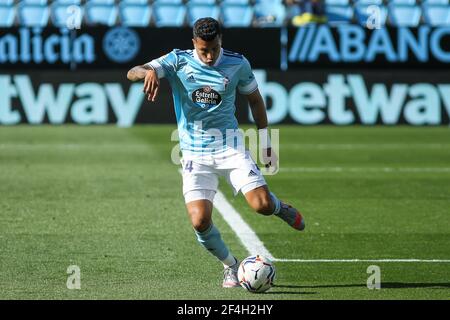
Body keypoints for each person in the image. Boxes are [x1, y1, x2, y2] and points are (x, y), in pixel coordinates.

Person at [127, 18, 305, 288]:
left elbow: (255, 100)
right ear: (194, 44)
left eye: (214, 49)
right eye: (203, 51)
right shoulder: (178, 60)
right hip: (193, 155)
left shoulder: (237, 63)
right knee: (199, 221)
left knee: (262, 206)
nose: (209, 56)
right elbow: (132, 71)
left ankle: (281, 208)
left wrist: (266, 141)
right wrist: (149, 71)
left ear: (221, 40)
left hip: (230, 147)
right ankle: (231, 266)